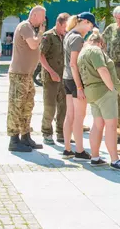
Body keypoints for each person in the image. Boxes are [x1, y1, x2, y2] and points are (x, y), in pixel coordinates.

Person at [78, 31, 120, 171]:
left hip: (92, 92)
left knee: (98, 124)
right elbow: (102, 69)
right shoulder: (95, 50)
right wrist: (112, 88)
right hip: (103, 92)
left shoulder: (82, 52)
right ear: (101, 43)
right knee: (111, 126)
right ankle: (115, 160)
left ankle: (95, 158)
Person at [7, 6, 46, 152]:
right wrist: (41, 33)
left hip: (27, 75)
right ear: (35, 15)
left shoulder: (31, 28)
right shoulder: (25, 26)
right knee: (16, 106)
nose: (43, 20)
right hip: (19, 74)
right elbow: (33, 44)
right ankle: (14, 140)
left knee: (28, 106)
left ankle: (25, 136)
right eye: (42, 17)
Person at [62, 12, 97, 160]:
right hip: (75, 80)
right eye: (90, 25)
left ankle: (68, 149)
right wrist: (80, 87)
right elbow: (73, 64)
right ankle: (80, 151)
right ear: (84, 22)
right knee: (79, 117)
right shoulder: (77, 38)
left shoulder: (69, 34)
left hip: (67, 78)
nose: (90, 29)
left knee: (70, 115)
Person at [40, 13, 70, 147]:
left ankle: (61, 133)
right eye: (65, 26)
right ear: (58, 24)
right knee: (50, 107)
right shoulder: (48, 36)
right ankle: (47, 133)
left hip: (63, 77)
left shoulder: (66, 36)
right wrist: (51, 72)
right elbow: (40, 56)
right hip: (50, 78)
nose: (67, 29)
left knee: (64, 107)